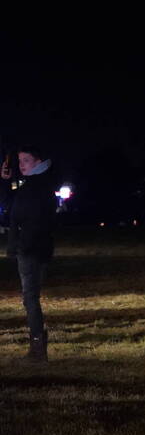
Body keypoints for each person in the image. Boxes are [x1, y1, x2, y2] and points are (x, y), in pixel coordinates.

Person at [1, 146, 57, 362]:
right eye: (20, 160)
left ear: (38, 161)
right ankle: (37, 344)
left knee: (30, 299)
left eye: (26, 160)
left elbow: (33, 219)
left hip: (31, 249)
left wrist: (23, 245)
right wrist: (6, 182)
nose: (21, 164)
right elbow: (10, 208)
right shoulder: (32, 184)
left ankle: (37, 347)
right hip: (32, 248)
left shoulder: (38, 186)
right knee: (30, 298)